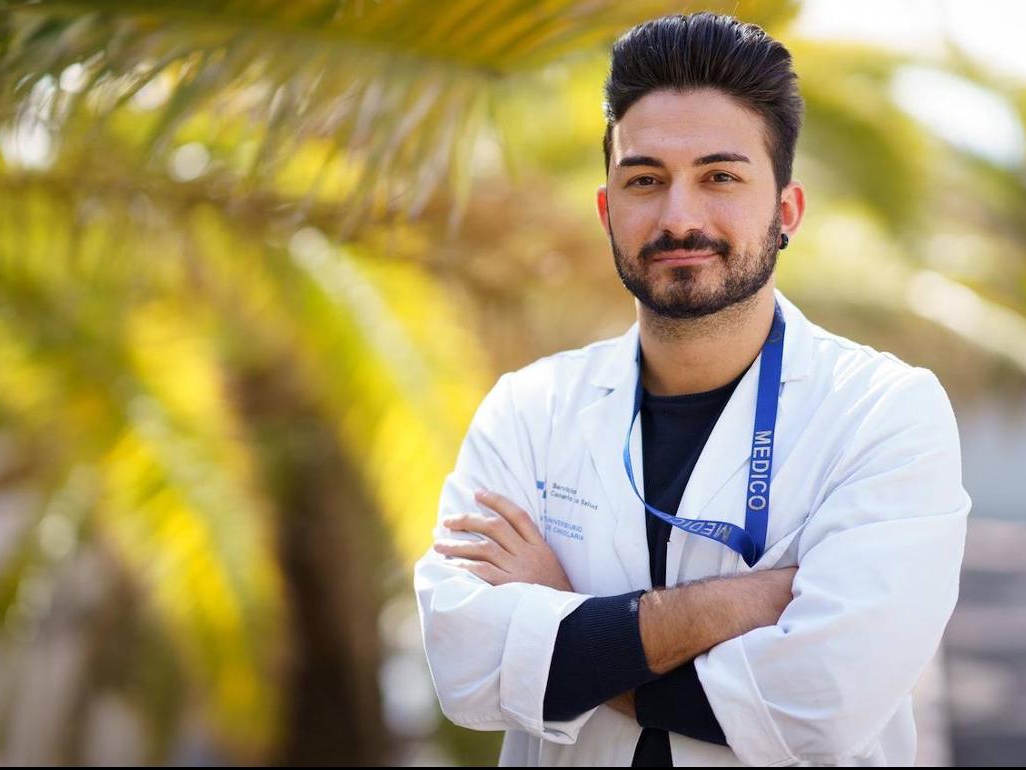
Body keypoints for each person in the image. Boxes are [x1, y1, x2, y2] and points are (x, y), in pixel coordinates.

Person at [414, 12, 970, 767]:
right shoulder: (529, 409)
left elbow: (820, 704)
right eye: (644, 180)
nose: (679, 216)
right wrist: (741, 603)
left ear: (786, 211)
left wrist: (568, 633)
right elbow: (466, 667)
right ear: (608, 210)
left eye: (720, 177)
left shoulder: (883, 414)